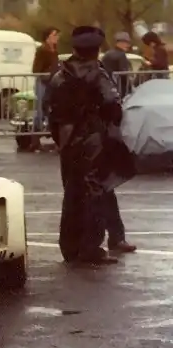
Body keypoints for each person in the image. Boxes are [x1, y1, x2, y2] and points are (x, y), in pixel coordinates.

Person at [44, 26, 135, 265]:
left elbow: (50, 110)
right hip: (93, 141)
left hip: (68, 143)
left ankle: (71, 247)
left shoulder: (59, 75)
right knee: (96, 192)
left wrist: (62, 137)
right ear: (96, 50)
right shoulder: (97, 74)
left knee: (73, 194)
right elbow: (113, 106)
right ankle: (90, 248)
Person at [100, 32, 138, 254]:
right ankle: (114, 237)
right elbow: (113, 110)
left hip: (78, 148)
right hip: (97, 143)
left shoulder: (66, 77)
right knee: (104, 191)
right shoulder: (100, 78)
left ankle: (81, 245)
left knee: (81, 194)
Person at [26, 27, 60, 152]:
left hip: (52, 84)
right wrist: (47, 74)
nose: (57, 37)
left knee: (52, 111)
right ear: (48, 37)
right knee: (39, 111)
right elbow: (36, 69)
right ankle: (34, 141)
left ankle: (55, 141)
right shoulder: (42, 50)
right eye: (54, 35)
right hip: (43, 83)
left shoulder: (54, 50)